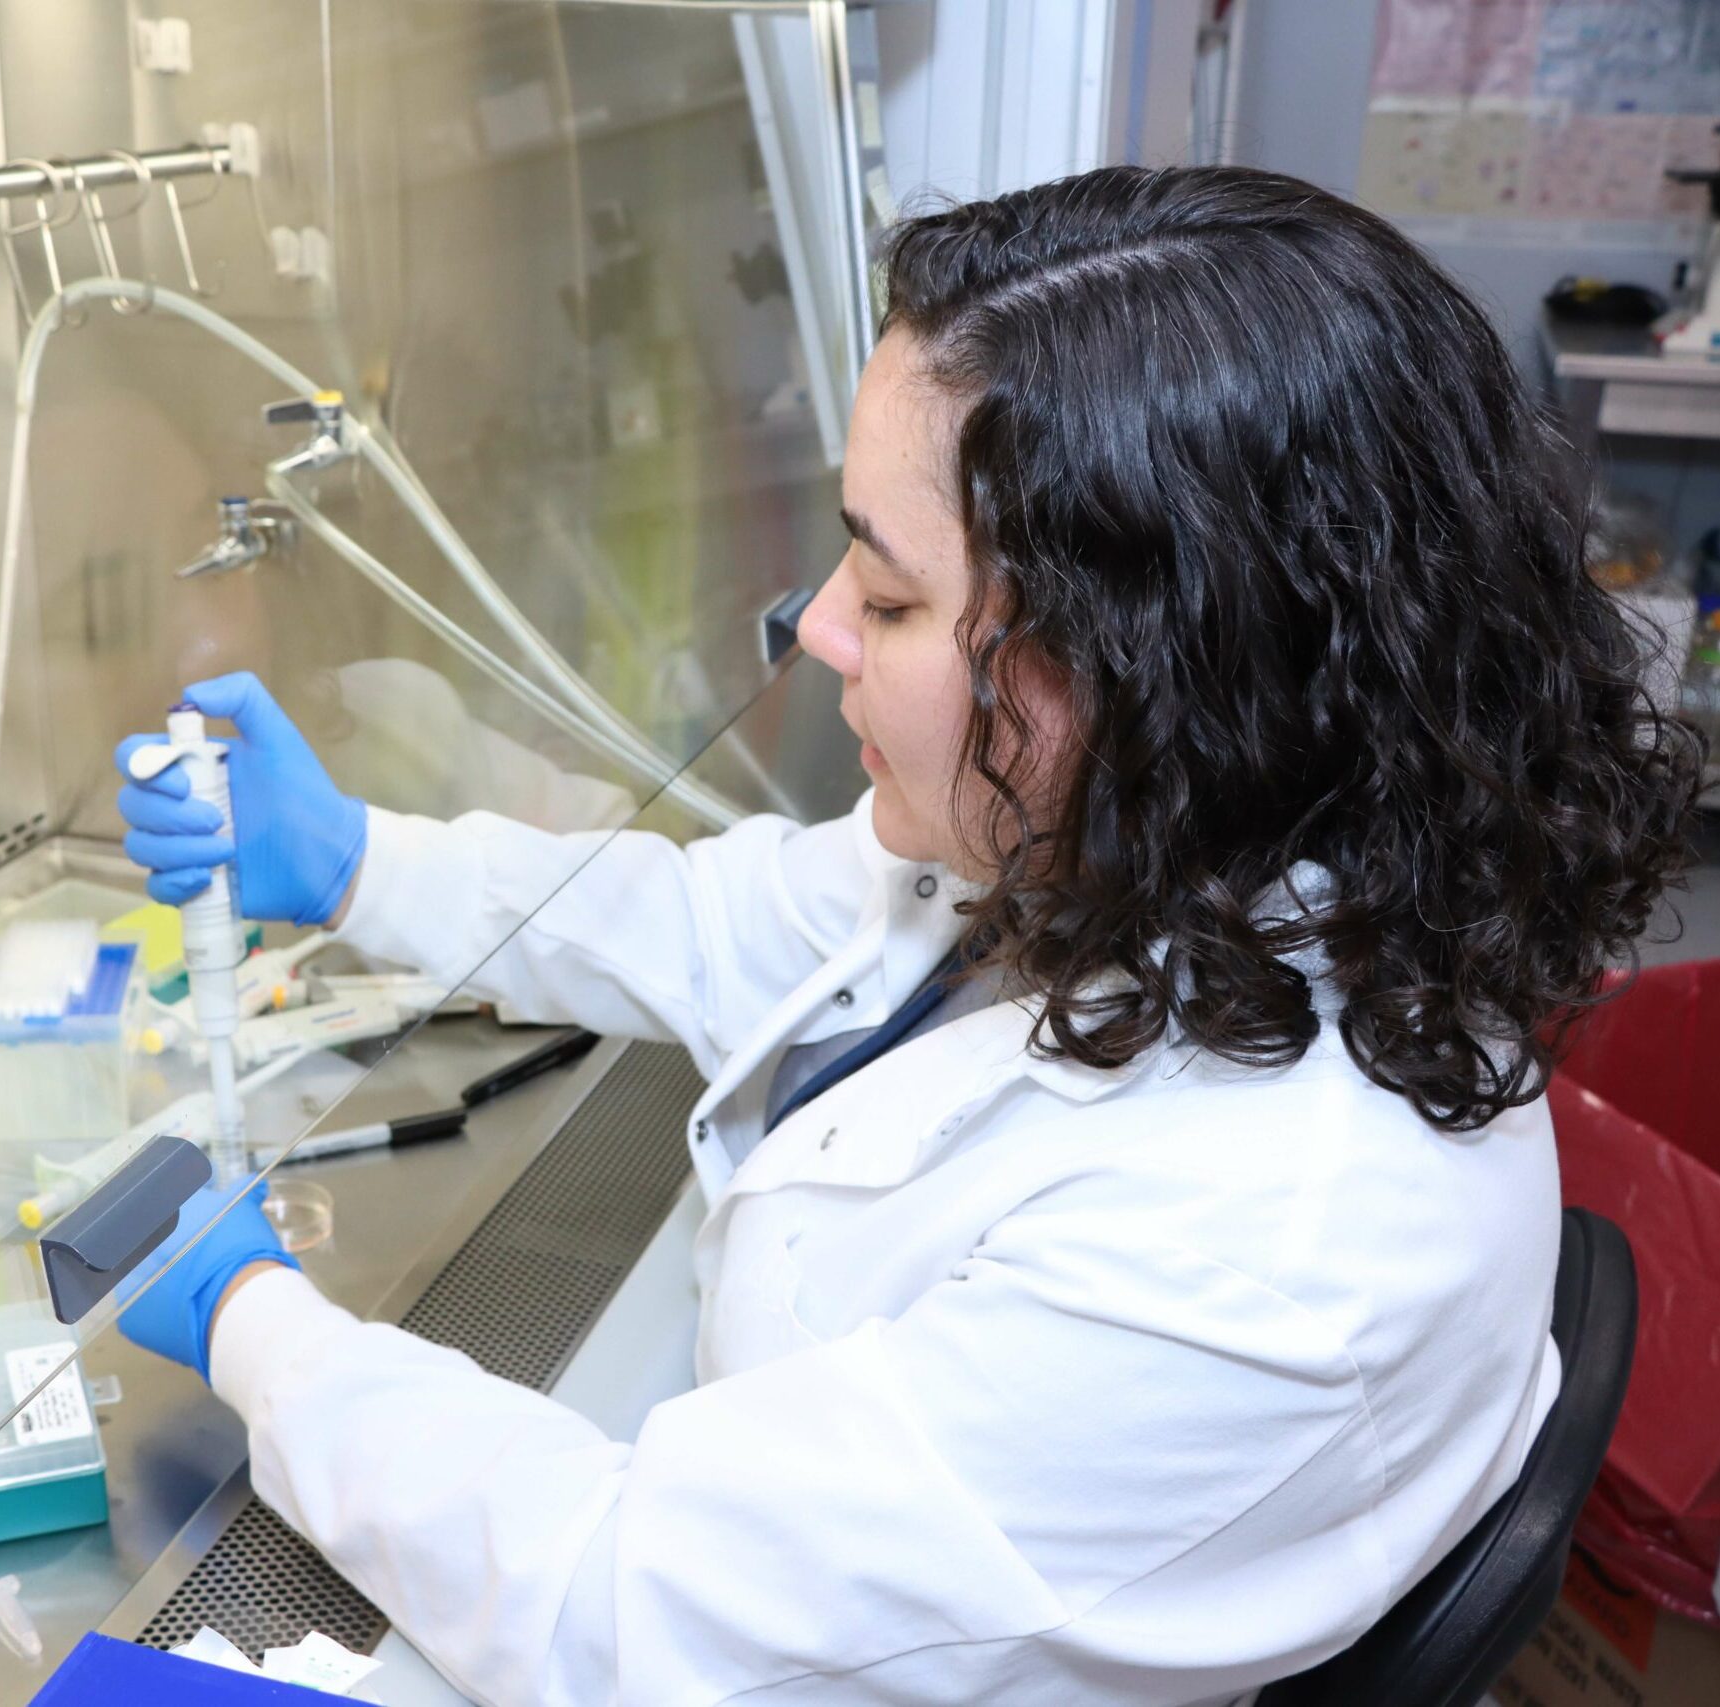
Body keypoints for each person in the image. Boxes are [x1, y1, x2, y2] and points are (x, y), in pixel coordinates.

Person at [107, 165, 1699, 1706]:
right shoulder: (1183, 816)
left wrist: (262, 1332)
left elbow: (618, 1608)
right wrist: (356, 865)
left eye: (884, 595)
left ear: (1136, 662)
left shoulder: (1263, 1255)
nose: (813, 629)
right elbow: (737, 919)